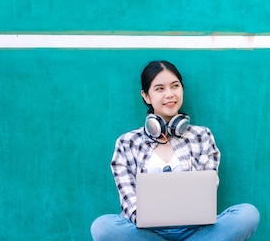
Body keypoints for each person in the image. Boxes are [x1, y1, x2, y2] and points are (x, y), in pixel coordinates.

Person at [91, 60, 260, 240]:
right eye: (160, 88)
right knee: (102, 227)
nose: (170, 94)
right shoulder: (127, 143)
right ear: (146, 96)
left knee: (247, 214)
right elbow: (130, 202)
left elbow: (206, 193)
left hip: (195, 230)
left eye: (175, 86)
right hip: (145, 233)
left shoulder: (202, 136)